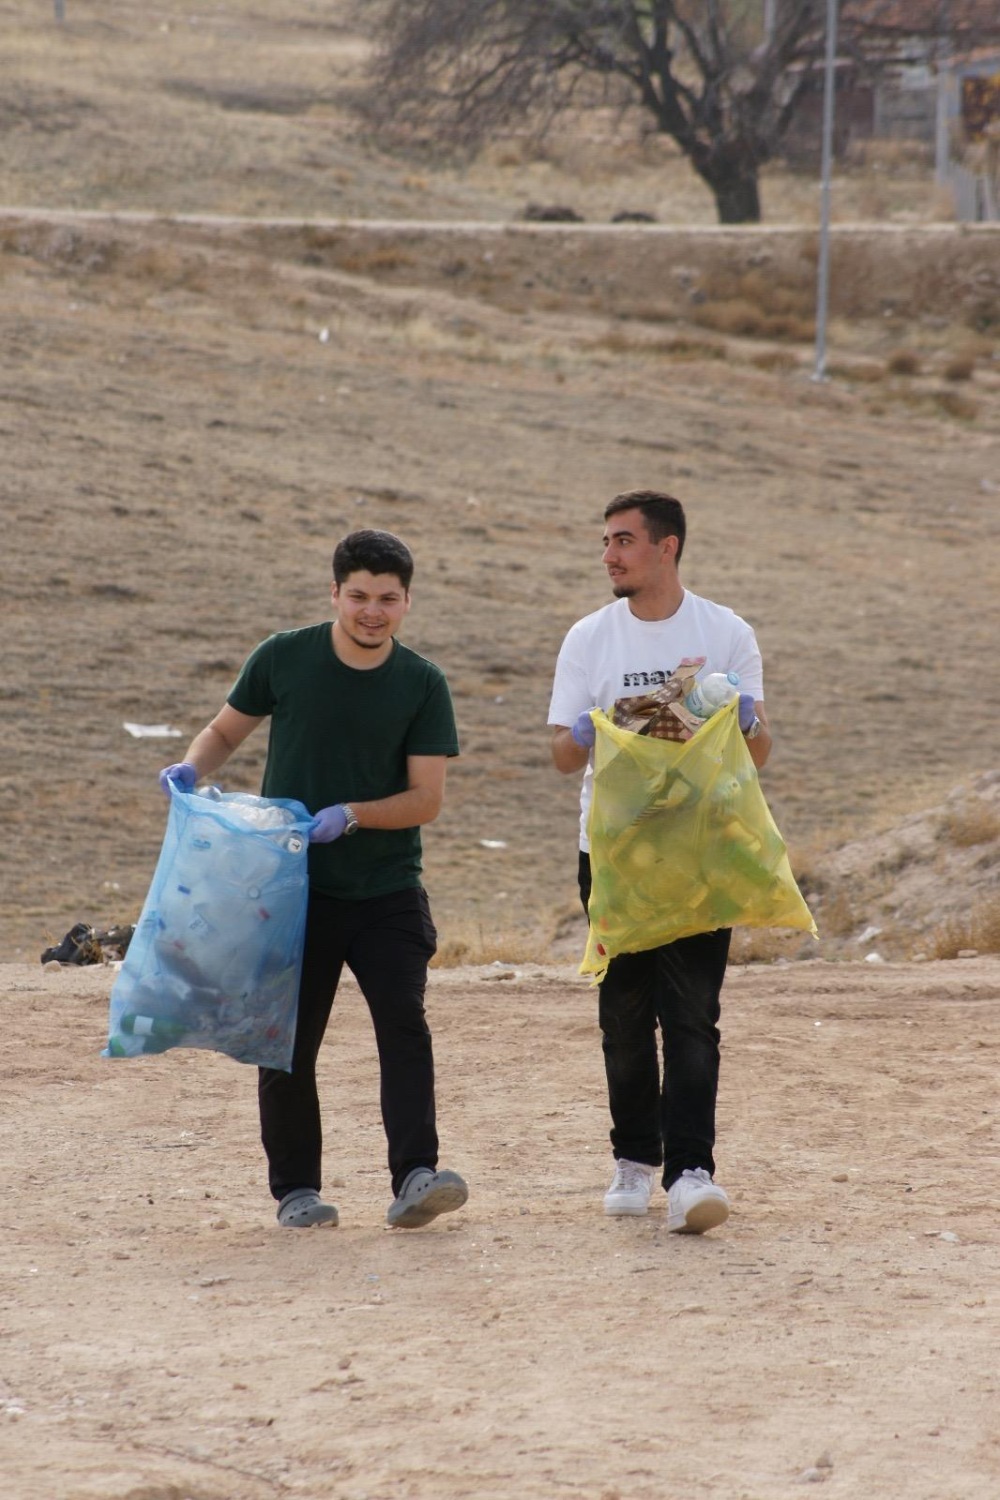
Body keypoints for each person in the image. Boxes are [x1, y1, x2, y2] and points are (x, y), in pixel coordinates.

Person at [159, 528, 468, 1232]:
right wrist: (190, 768)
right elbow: (225, 731)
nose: (371, 611)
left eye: (387, 599)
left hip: (388, 888)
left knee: (404, 1027)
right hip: (290, 890)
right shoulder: (284, 657)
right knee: (288, 1042)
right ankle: (297, 1191)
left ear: (407, 603)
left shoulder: (422, 684)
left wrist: (353, 816)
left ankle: (417, 1176)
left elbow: (427, 799)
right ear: (334, 594)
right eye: (358, 596)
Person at [548, 491, 771, 1233]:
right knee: (623, 1015)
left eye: (622, 541)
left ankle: (692, 1173)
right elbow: (559, 756)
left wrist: (744, 721)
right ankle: (634, 1161)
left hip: (701, 853)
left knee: (693, 1017)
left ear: (666, 547)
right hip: (612, 855)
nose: (608, 555)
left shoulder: (726, 632)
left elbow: (761, 752)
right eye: (606, 541)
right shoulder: (590, 638)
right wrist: (585, 732)